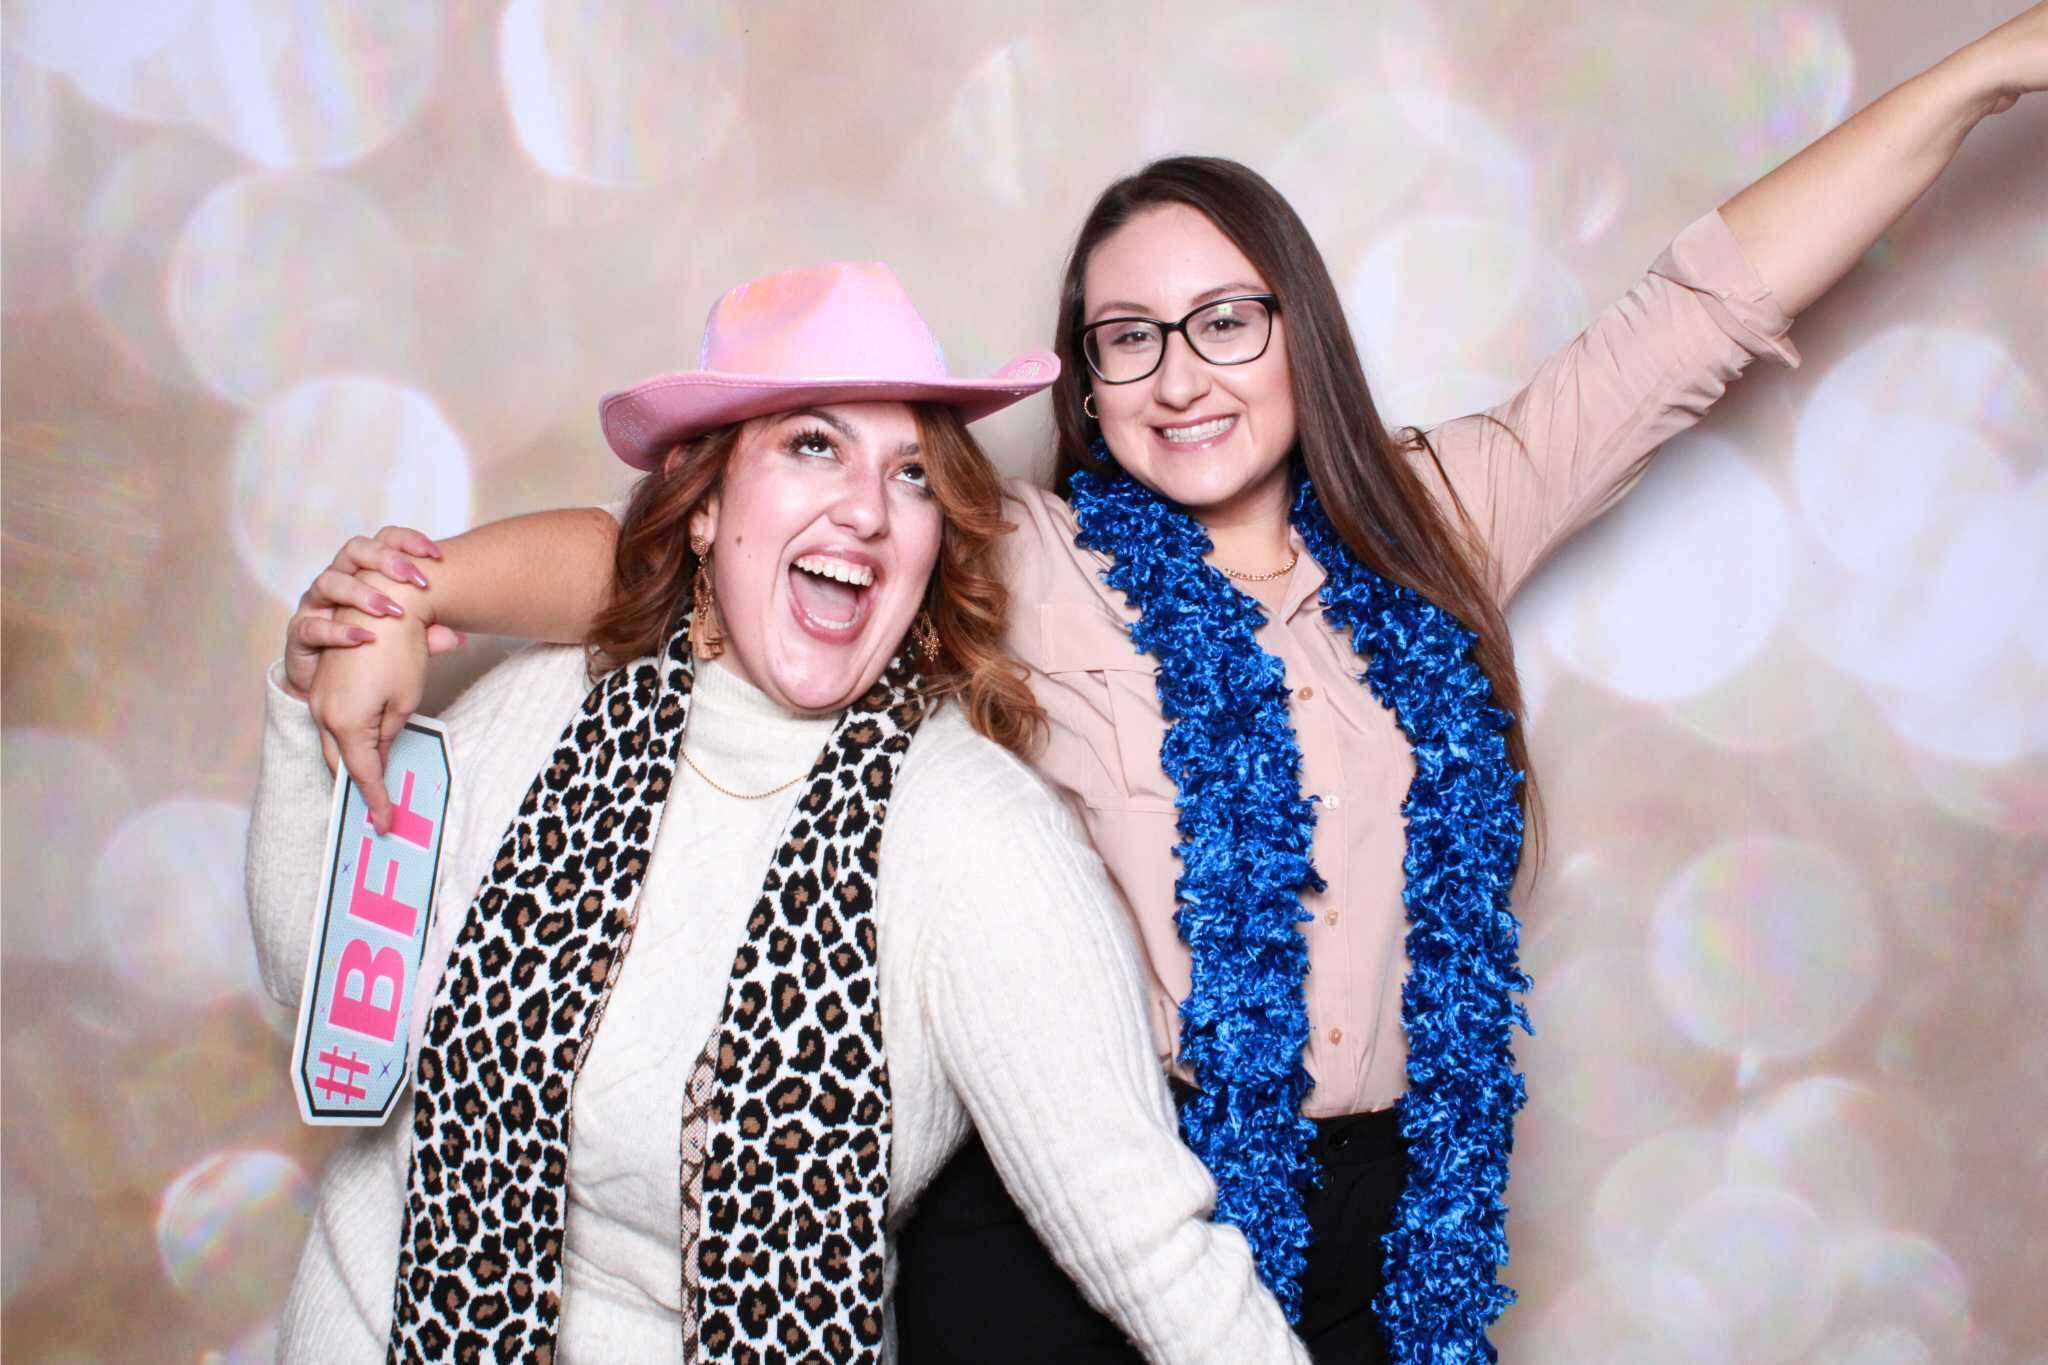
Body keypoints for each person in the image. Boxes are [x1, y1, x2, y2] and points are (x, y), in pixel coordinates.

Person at [287, 9, 2048, 1360]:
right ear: (1086, 374)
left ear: (1296, 330)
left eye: (1224, 319)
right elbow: (679, 560)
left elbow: (1704, 306)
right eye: (1126, 337)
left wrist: (1988, 68)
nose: (1180, 376)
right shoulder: (1020, 562)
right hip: (1068, 1222)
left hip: (1382, 1205)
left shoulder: (1446, 520)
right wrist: (420, 589)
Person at [247, 261, 1313, 1364]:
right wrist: (305, 704)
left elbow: (1149, 1245)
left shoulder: (971, 841)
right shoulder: (545, 707)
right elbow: (327, 1001)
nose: (863, 506)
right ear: (702, 506)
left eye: (908, 475)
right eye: (812, 445)